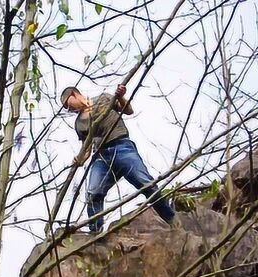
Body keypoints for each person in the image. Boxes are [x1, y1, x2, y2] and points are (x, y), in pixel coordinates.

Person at [60, 84, 176, 233]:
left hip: (122, 146)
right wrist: (79, 160)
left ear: (74, 94)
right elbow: (86, 148)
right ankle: (95, 232)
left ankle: (171, 218)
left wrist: (120, 96)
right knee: (93, 192)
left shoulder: (104, 98)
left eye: (67, 104)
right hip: (101, 156)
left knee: (146, 183)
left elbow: (128, 110)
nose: (68, 109)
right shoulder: (79, 123)